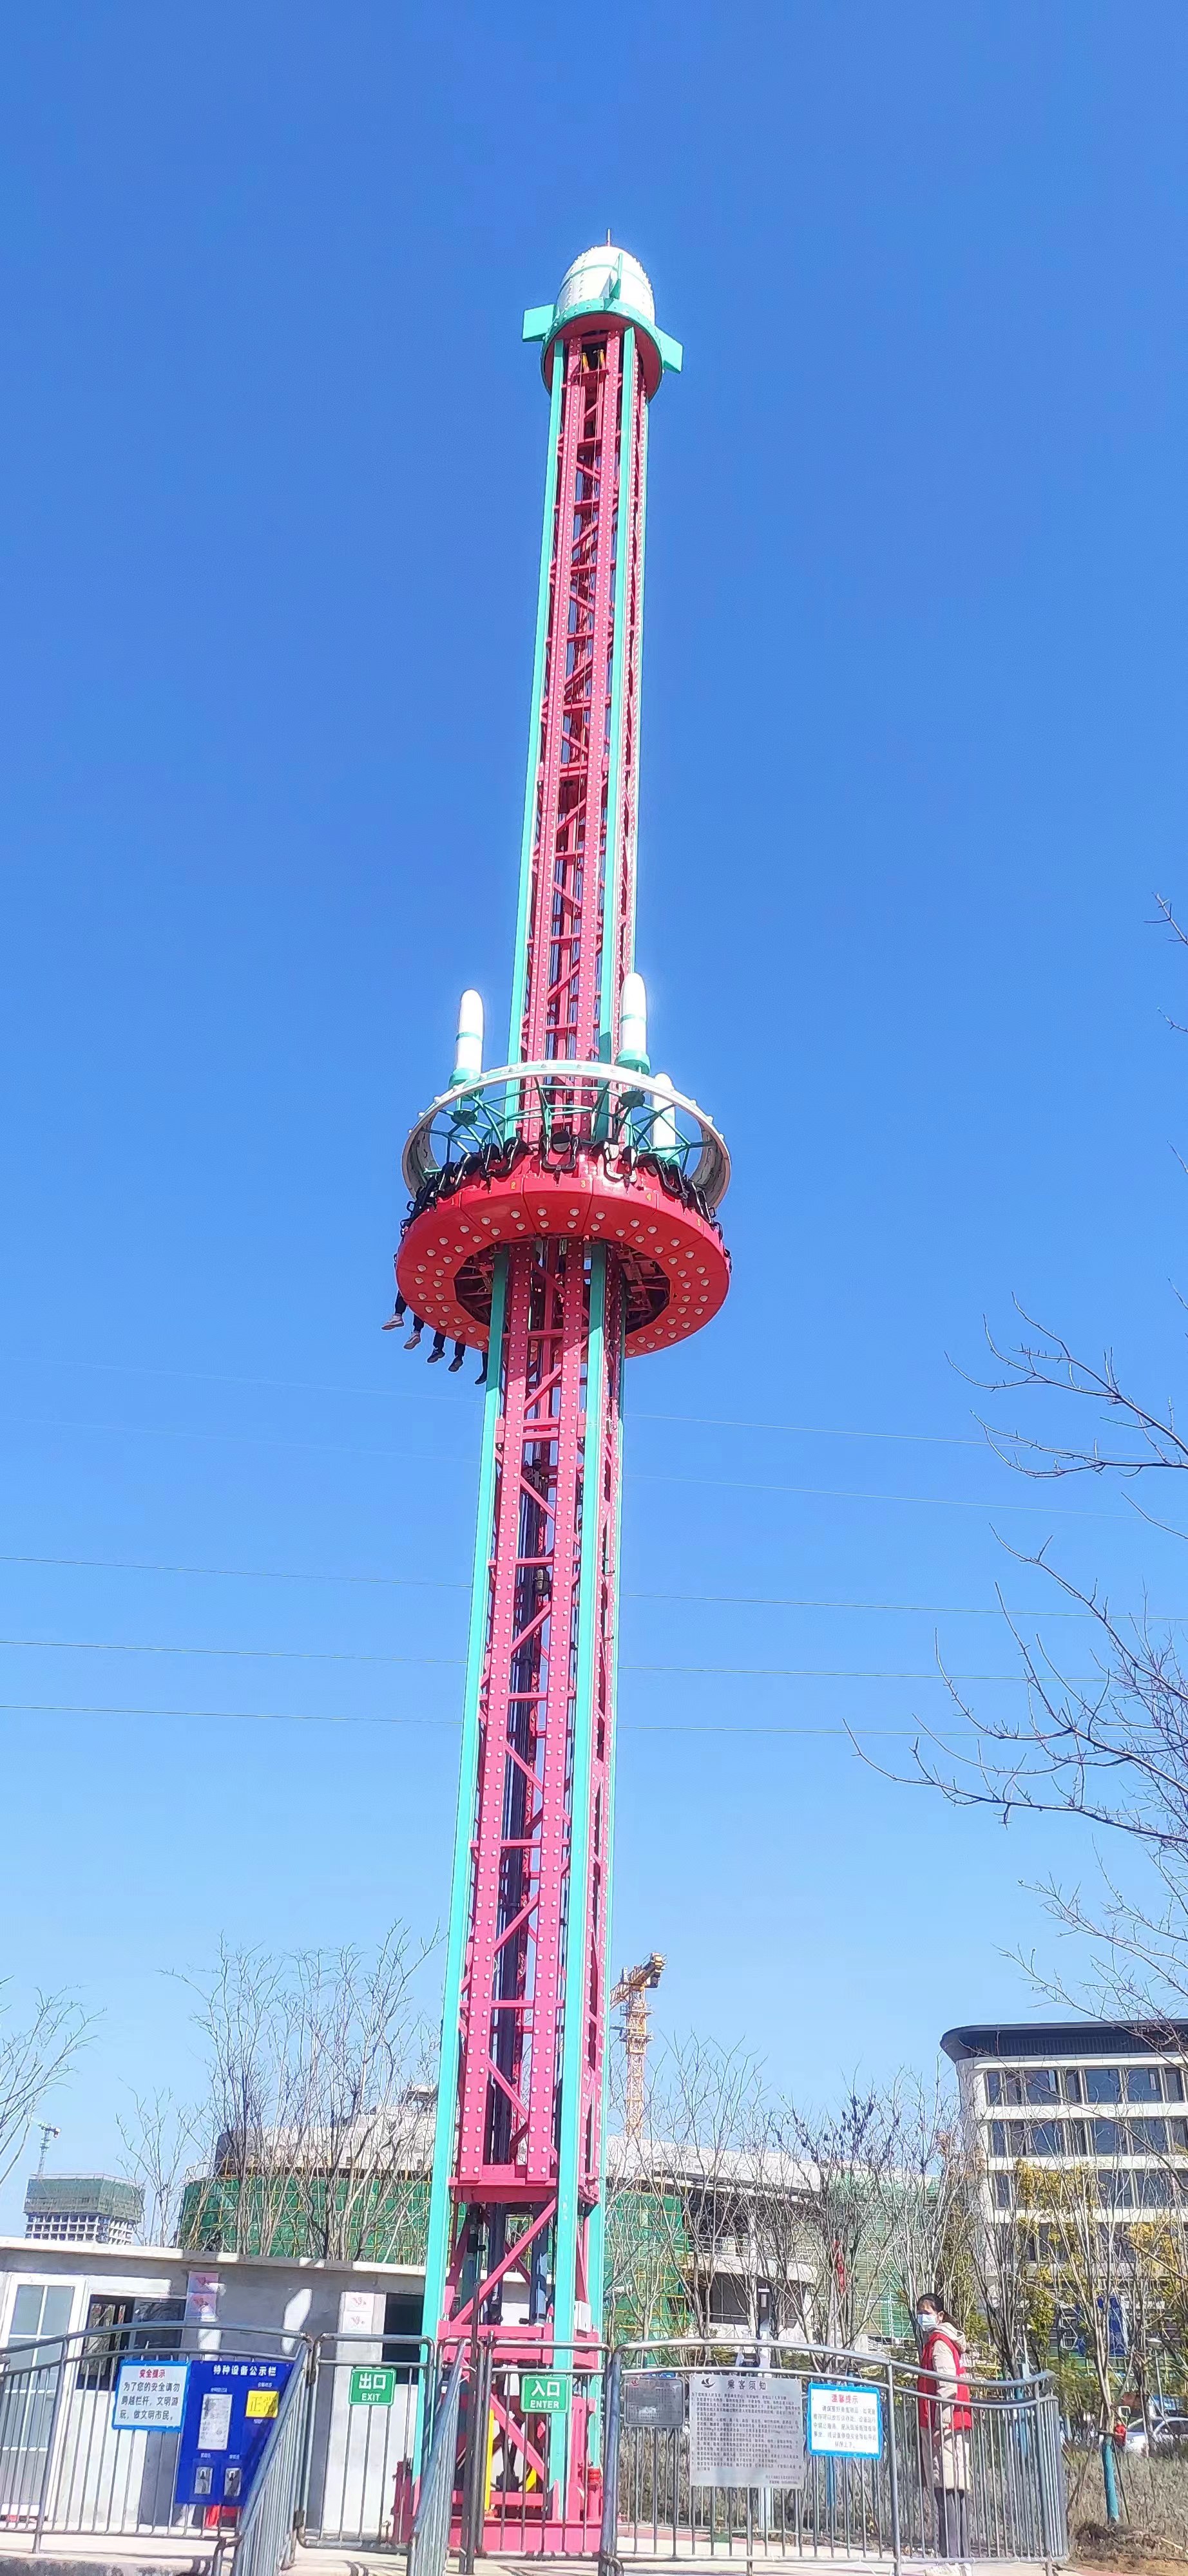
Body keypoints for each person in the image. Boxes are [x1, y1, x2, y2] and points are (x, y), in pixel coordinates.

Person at [916, 2292, 972, 2558]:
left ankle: (949, 2555)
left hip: (945, 2425)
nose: (922, 2317)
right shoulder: (943, 2341)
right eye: (920, 2312)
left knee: (947, 2488)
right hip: (953, 2423)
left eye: (927, 2311)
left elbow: (947, 2386)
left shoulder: (939, 2343)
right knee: (954, 2488)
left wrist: (942, 2425)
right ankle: (957, 2554)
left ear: (939, 2315)